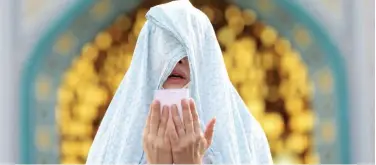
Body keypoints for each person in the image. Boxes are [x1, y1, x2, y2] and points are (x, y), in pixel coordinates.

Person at [86, 0, 273, 164]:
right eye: (166, 47)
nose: (177, 59)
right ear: (148, 54)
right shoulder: (114, 140)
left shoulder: (247, 138)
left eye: (187, 48)